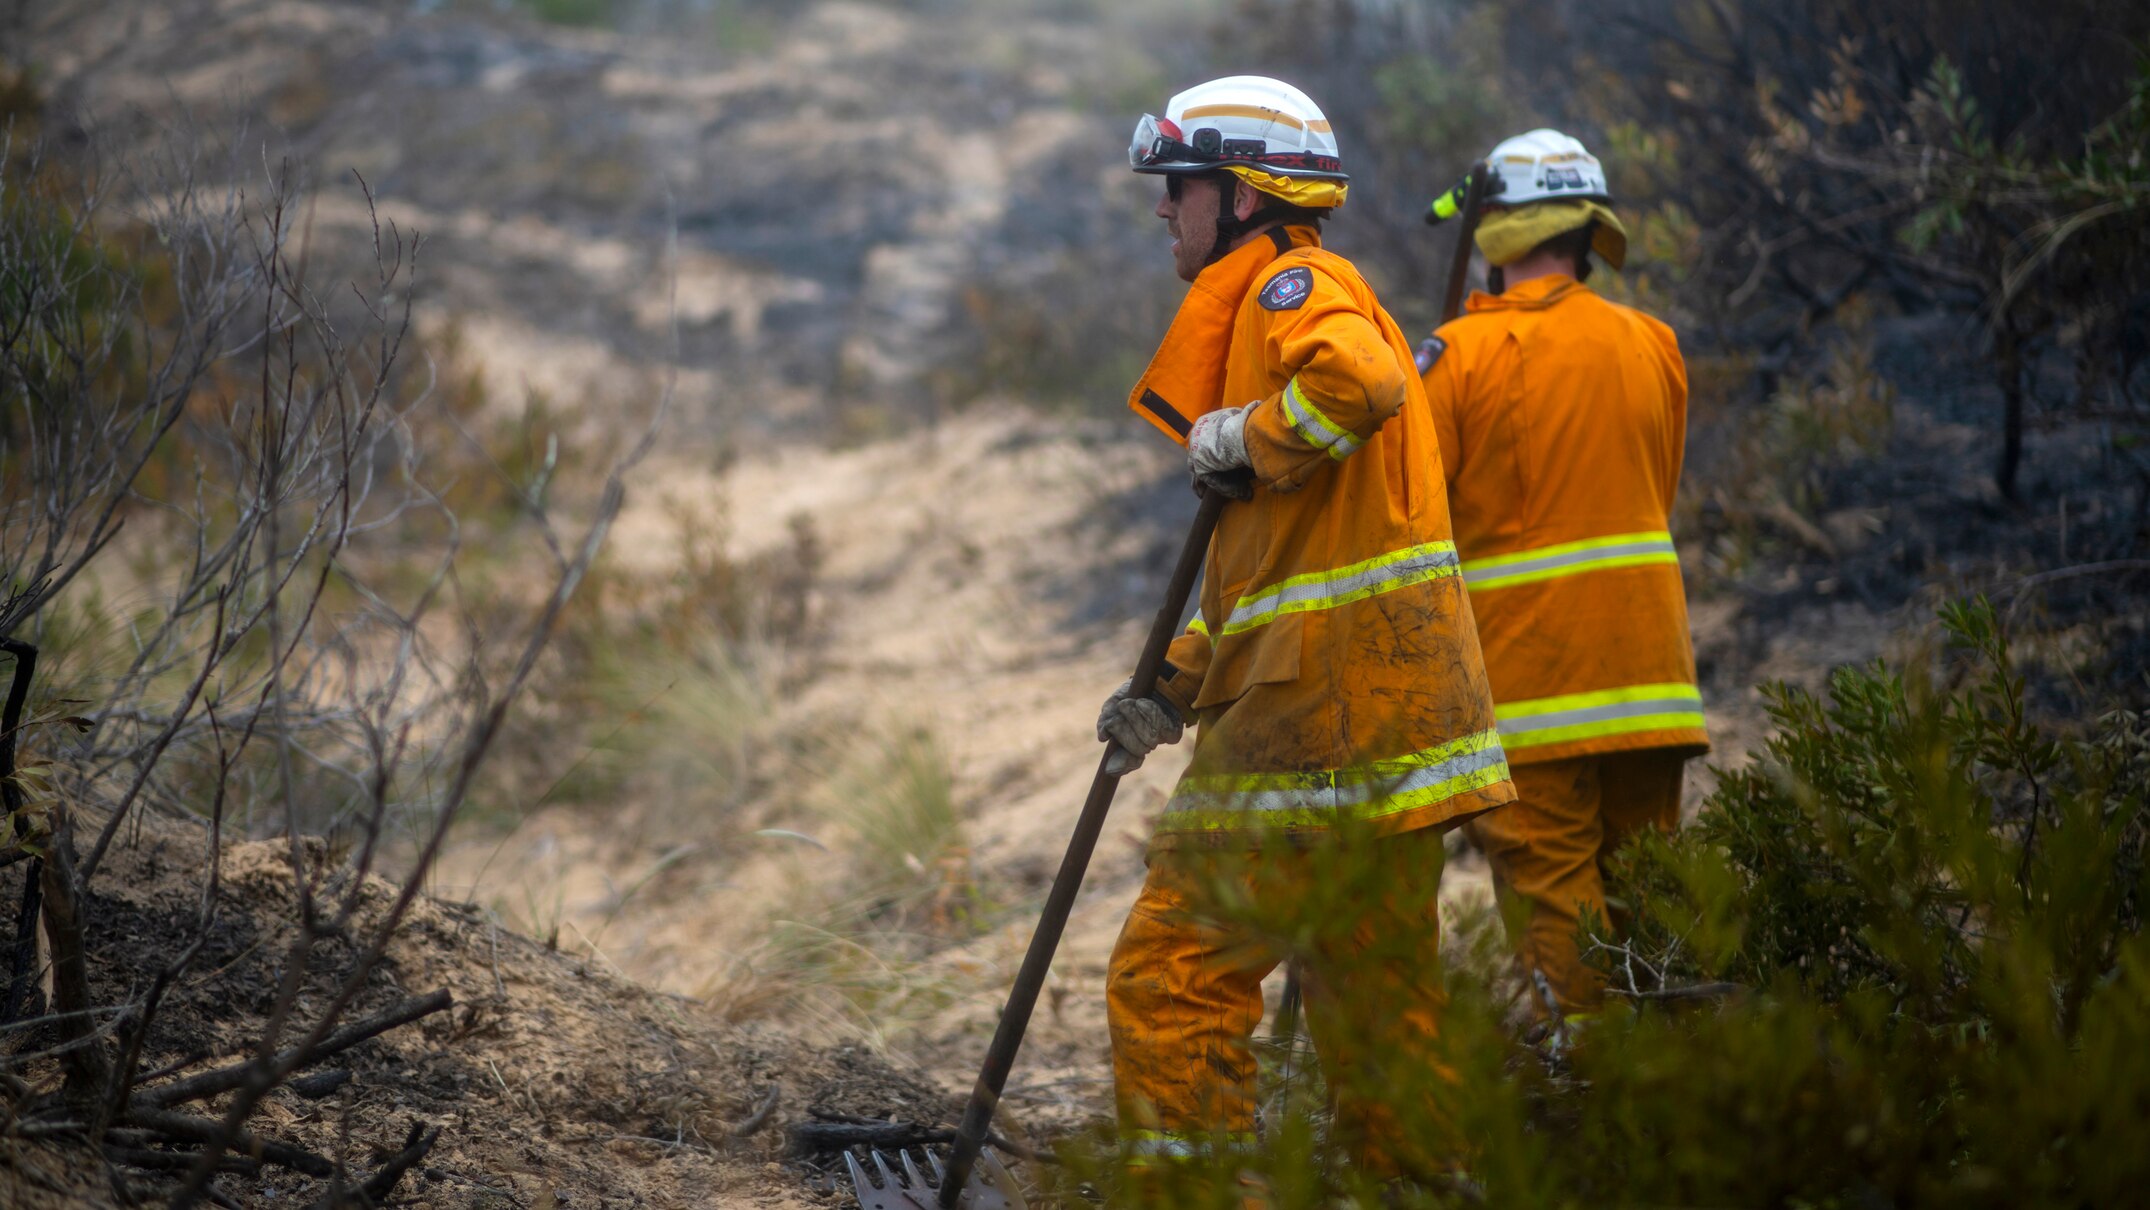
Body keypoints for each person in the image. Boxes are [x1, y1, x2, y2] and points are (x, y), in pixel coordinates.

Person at [1096, 75, 1515, 1184]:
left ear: (1240, 196)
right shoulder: (1274, 308)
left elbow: (1364, 381)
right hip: (1389, 720)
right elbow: (1273, 574)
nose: (1160, 210)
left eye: (1176, 188)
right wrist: (1171, 689)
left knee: (1170, 975)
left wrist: (1245, 432)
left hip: (1315, 723)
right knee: (1377, 1007)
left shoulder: (1291, 285)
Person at [1418, 129, 1709, 1023]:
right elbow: (1652, 491)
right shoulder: (1653, 342)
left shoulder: (1455, 357)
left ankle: (1589, 1092)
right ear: (1589, 234)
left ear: (1493, 232)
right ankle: (1681, 1097)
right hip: (1654, 684)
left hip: (1529, 696)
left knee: (1558, 907)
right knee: (1649, 903)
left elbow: (1415, 522)